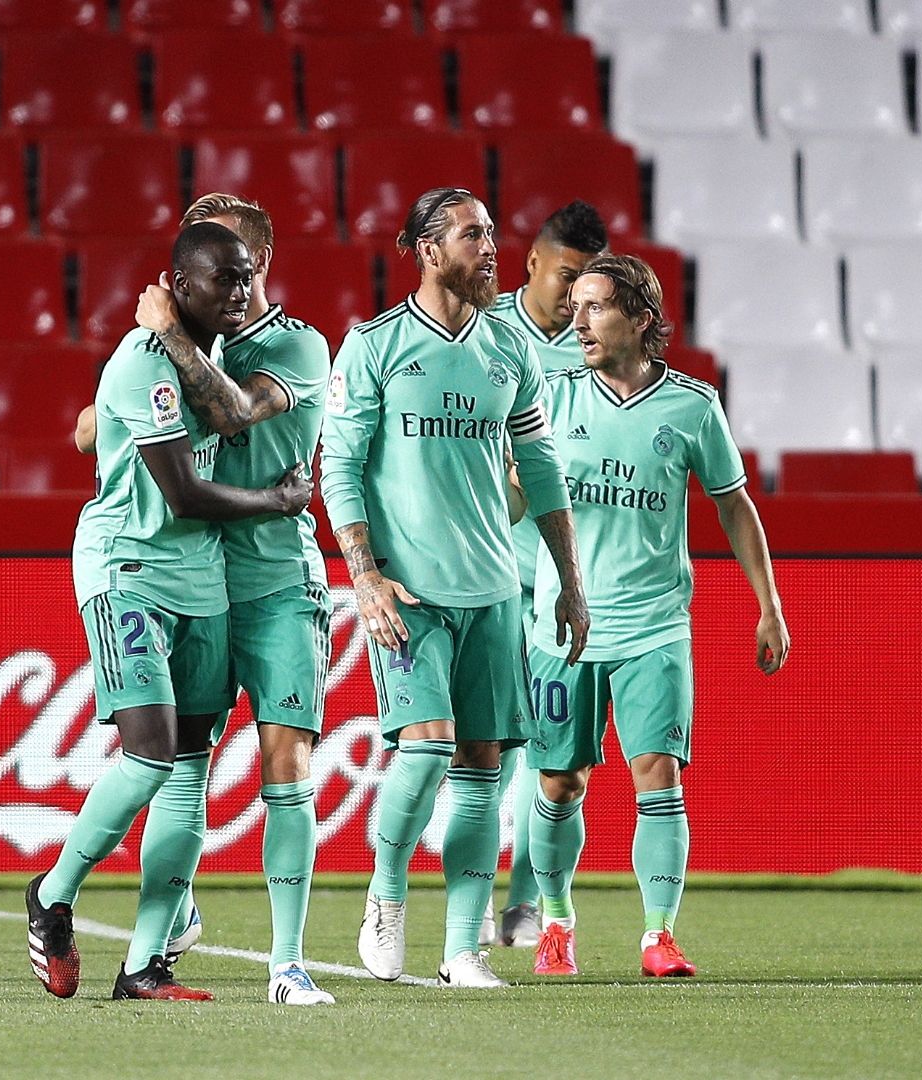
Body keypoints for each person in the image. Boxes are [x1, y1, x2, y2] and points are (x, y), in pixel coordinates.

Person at [26, 222, 312, 1002]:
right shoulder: (145, 363)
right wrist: (277, 500)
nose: (239, 292)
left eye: (246, 277)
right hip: (132, 570)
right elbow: (183, 493)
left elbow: (227, 416)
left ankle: (146, 964)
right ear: (177, 284)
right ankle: (52, 895)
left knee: (189, 766)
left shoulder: (216, 359)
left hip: (201, 582)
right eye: (222, 279)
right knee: (149, 754)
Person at [321, 187, 587, 989]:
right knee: (427, 747)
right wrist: (364, 578)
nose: (492, 250)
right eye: (474, 236)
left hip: (494, 591)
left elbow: (541, 470)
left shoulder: (512, 352)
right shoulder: (372, 345)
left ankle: (462, 949)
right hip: (408, 594)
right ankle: (386, 895)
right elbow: (337, 467)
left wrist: (569, 582)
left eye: (492, 235)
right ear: (428, 250)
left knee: (480, 767)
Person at [519, 255, 788, 979]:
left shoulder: (693, 406)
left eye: (596, 308)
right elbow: (511, 495)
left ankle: (658, 935)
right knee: (559, 784)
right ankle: (554, 923)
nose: (578, 322)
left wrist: (770, 604)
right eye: (573, 306)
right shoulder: (549, 396)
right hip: (558, 627)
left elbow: (734, 502)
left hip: (655, 625)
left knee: (658, 773)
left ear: (641, 319)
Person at [484, 199, 609, 949]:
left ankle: (526, 902)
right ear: (531, 263)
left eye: (589, 283)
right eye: (567, 277)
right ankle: (462, 893)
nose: (577, 298)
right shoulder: (486, 329)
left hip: (556, 571)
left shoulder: (601, 344)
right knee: (490, 746)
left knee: (545, 747)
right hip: (486, 559)